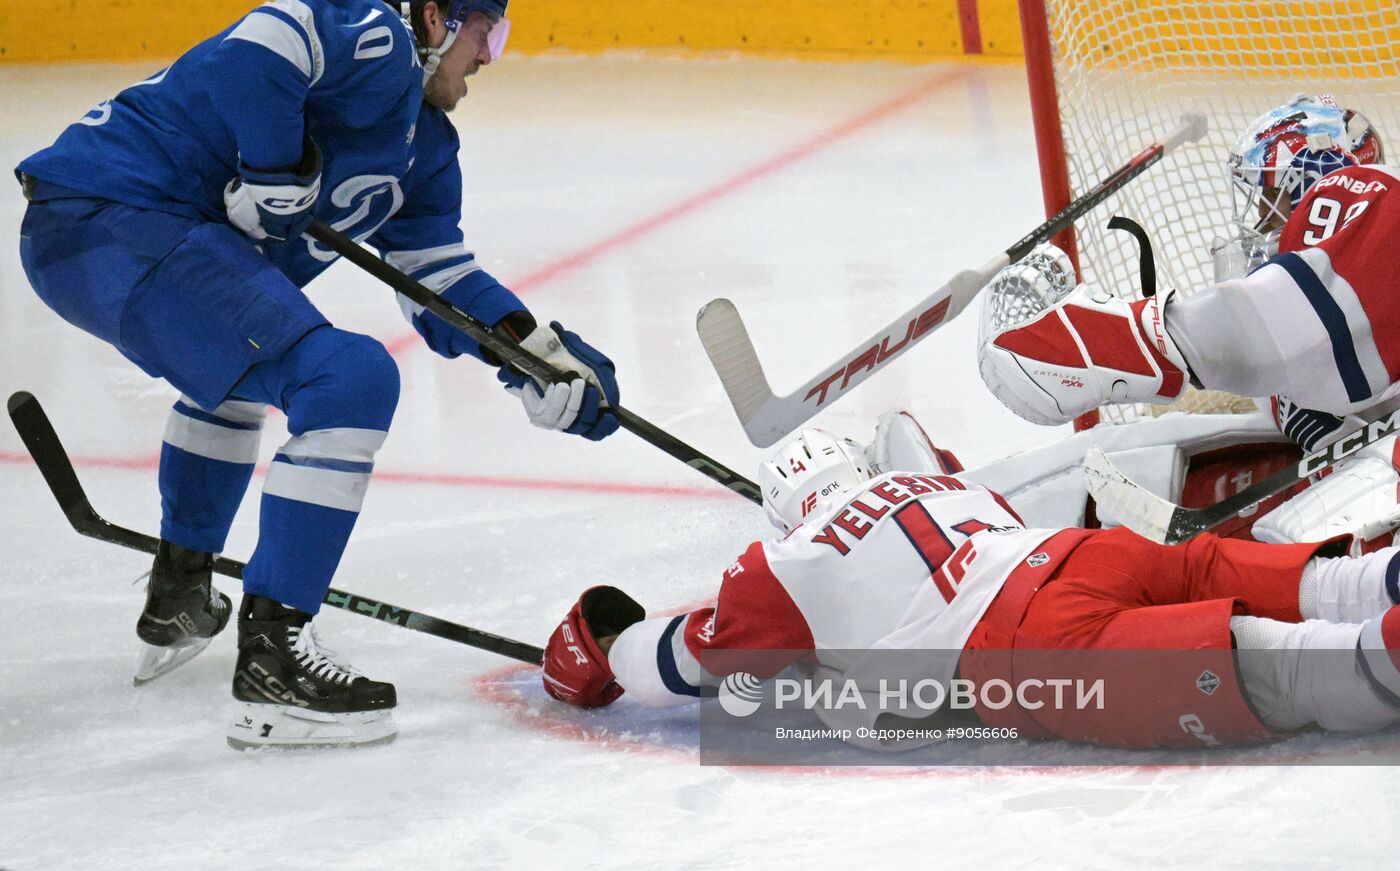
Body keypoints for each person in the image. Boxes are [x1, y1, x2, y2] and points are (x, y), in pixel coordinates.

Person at [15, 0, 621, 750]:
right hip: (115, 216)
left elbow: (437, 280)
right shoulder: (372, 35)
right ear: (437, 18)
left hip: (104, 234)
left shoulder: (425, 147)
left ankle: (181, 590)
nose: (487, 58)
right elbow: (255, 48)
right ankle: (274, 658)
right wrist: (272, 169)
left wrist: (530, 354)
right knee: (348, 377)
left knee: (244, 370)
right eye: (489, 32)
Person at [539, 418, 1400, 752]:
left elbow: (691, 663)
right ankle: (1378, 582)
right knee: (1202, 568)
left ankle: (1379, 660)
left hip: (1029, 645)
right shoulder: (948, 486)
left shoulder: (786, 561)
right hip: (1086, 551)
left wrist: (598, 648)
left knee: (1263, 661)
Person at [977, 93, 1393, 452]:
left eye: (1272, 197)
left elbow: (1257, 333)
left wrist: (1105, 338)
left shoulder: (1383, 213)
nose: (1260, 223)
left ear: (1325, 192)